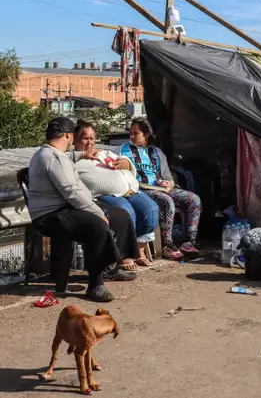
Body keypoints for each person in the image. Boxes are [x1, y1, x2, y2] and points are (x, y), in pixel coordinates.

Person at [27, 117, 138, 302]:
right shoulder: (53, 158)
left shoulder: (50, 153)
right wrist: (97, 212)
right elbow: (72, 192)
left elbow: (66, 158)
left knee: (120, 216)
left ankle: (112, 267)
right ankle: (95, 284)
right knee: (96, 225)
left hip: (62, 209)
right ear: (68, 136)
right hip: (51, 215)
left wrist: (81, 155)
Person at [73, 120, 159, 267]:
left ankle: (138, 250)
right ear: (75, 139)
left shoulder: (103, 153)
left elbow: (122, 159)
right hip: (103, 195)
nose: (89, 143)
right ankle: (123, 255)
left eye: (92, 138)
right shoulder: (73, 158)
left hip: (130, 189)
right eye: (85, 138)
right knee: (126, 213)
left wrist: (126, 163)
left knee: (150, 210)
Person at [120, 117, 201, 261]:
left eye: (135, 133)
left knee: (193, 199)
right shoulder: (123, 150)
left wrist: (168, 183)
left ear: (146, 134)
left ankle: (189, 242)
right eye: (130, 133)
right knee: (166, 201)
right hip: (141, 190)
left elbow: (167, 176)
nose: (131, 136)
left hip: (159, 188)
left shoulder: (157, 153)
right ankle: (167, 245)